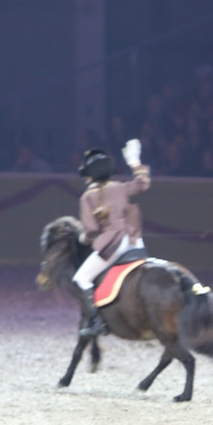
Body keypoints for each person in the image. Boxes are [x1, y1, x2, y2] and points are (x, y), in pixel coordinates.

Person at [71, 139, 150, 336]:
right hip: (135, 241)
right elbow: (142, 183)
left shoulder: (88, 197)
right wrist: (134, 160)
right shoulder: (120, 187)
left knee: (81, 279)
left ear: (89, 175)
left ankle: (96, 322)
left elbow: (90, 229)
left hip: (113, 245)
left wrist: (83, 239)